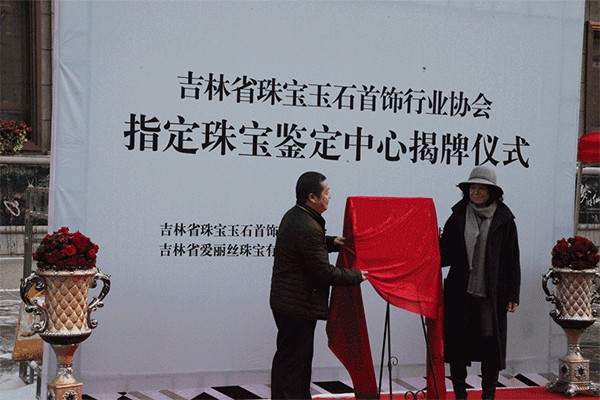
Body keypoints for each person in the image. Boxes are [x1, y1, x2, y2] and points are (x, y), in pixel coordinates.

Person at [269, 171, 367, 400]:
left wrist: (332, 242)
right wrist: (356, 276)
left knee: (294, 362)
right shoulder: (308, 226)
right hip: (297, 305)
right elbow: (323, 272)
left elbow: (307, 247)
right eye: (327, 192)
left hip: (291, 302)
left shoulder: (297, 216)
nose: (330, 197)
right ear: (312, 197)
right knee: (294, 365)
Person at [439, 166, 521, 400]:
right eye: (472, 188)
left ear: (492, 192)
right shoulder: (457, 216)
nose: (475, 192)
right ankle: (460, 395)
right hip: (460, 291)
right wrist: (430, 247)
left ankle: (488, 395)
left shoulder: (504, 219)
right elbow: (446, 253)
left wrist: (513, 294)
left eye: (481, 188)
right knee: (458, 346)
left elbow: (512, 258)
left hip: (492, 293)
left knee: (490, 347)